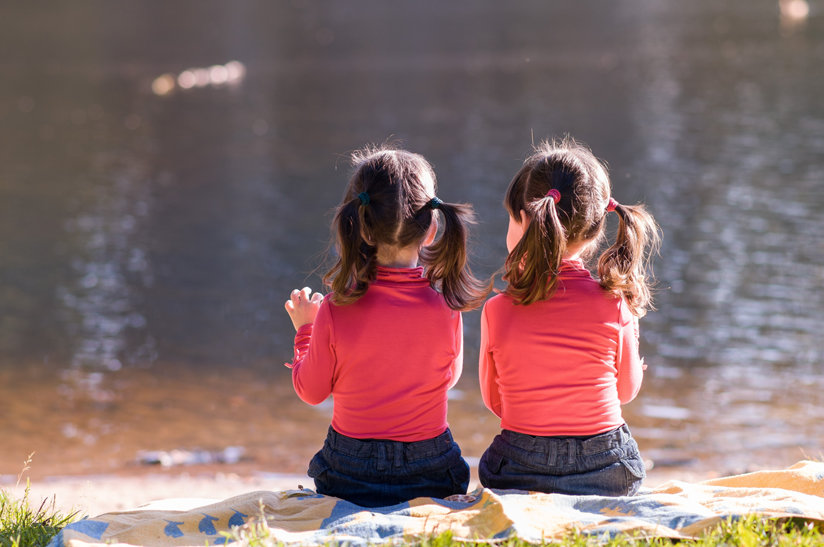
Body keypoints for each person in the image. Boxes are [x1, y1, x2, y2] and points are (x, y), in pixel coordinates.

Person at [284, 145, 488, 507]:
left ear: (360, 226)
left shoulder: (335, 308)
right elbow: (449, 377)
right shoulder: (446, 304)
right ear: (431, 229)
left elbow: (311, 392)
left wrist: (305, 333)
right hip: (431, 469)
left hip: (350, 473)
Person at [478, 137, 660, 497]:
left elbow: (494, 401)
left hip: (519, 468)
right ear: (595, 231)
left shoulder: (497, 309)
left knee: (488, 463)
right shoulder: (614, 302)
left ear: (527, 218)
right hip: (606, 468)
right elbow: (625, 392)